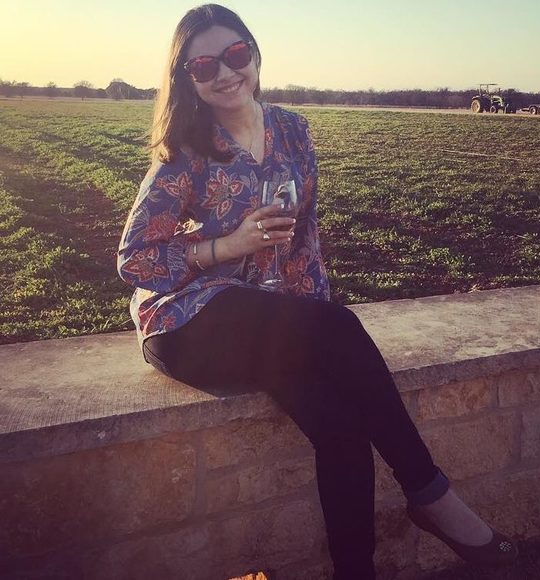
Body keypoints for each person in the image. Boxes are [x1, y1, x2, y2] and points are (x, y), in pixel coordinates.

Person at [117, 5, 518, 579]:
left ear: (254, 54)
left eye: (235, 55)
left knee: (341, 424)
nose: (225, 73)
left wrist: (317, 328)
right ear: (187, 78)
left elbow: (304, 240)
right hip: (187, 322)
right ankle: (433, 497)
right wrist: (226, 246)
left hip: (270, 320)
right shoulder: (185, 150)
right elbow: (134, 259)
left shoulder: (291, 130)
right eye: (204, 66)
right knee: (340, 327)